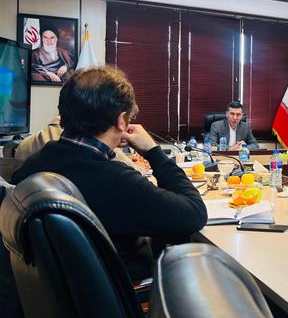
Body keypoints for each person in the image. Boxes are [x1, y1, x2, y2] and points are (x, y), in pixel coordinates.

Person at [12, 66, 207, 281]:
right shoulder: (116, 180)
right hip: (132, 293)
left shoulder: (31, 166)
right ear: (121, 120)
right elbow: (194, 214)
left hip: (61, 295)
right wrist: (153, 151)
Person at [15, 115, 141, 168]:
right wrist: (150, 150)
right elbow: (138, 173)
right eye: (129, 118)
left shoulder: (26, 149)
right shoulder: (119, 174)